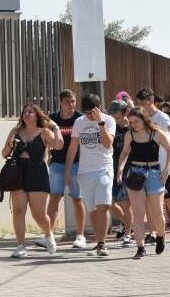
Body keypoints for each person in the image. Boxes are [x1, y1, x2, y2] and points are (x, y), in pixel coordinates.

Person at [1, 103, 64, 258]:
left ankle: (49, 235)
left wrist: (55, 128)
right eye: (25, 112)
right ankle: (21, 246)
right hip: (18, 172)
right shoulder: (16, 132)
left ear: (37, 115)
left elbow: (59, 145)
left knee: (39, 214)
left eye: (30, 111)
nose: (27, 114)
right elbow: (4, 153)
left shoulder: (44, 132)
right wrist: (10, 145)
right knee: (18, 210)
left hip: (38, 172)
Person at [116, 107, 170, 258]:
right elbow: (124, 152)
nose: (133, 124)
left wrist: (167, 168)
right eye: (131, 122)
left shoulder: (156, 133)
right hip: (135, 173)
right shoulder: (130, 134)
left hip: (155, 173)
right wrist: (121, 168)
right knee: (138, 214)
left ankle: (160, 236)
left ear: (144, 119)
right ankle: (140, 247)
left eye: (136, 121)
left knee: (156, 214)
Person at [65, 94, 116, 256]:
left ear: (98, 109)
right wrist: (67, 170)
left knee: (104, 206)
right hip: (85, 171)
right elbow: (73, 147)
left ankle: (102, 243)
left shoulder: (108, 120)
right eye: (86, 113)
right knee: (93, 210)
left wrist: (100, 123)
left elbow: (108, 144)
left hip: (104, 168)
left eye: (91, 113)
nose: (88, 116)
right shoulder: (79, 122)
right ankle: (98, 240)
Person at [135, 88, 170, 242]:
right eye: (139, 104)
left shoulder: (161, 116)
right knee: (150, 201)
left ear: (151, 101)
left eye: (144, 103)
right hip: (147, 165)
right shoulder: (141, 117)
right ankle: (153, 233)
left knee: (168, 199)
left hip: (164, 165)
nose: (142, 106)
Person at [45, 89, 87, 249]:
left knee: (77, 198)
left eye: (73, 101)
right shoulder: (53, 119)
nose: (71, 105)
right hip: (57, 163)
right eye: (68, 101)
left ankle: (80, 235)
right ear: (60, 102)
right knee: (54, 197)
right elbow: (46, 137)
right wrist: (48, 155)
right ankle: (48, 235)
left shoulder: (79, 118)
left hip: (77, 163)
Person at [109, 100, 134, 247]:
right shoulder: (112, 127)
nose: (115, 120)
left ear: (125, 113)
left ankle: (128, 233)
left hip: (129, 169)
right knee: (109, 202)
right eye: (113, 117)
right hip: (112, 168)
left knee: (125, 203)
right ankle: (128, 224)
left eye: (117, 117)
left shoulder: (132, 128)